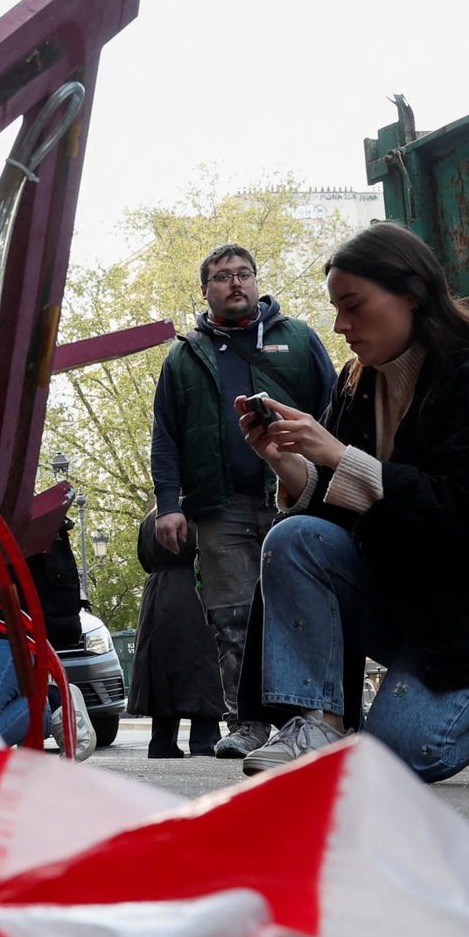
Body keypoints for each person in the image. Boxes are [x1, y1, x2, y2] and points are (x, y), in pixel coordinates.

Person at [231, 222, 469, 783]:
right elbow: (341, 516)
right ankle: (320, 721)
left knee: (403, 755)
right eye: (337, 309)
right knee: (293, 538)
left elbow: (463, 512)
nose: (341, 326)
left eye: (353, 306)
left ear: (411, 296)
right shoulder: (359, 384)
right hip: (422, 601)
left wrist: (340, 455)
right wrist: (284, 458)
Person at [150, 244, 337, 761]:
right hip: (219, 506)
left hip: (297, 496)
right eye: (223, 277)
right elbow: (165, 435)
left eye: (244, 274)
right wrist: (170, 504)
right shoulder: (184, 355)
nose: (236, 283)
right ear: (205, 289)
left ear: (256, 281)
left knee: (299, 607)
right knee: (231, 616)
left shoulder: (297, 338)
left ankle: (309, 719)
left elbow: (334, 410)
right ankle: (248, 722)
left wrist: (333, 477)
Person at [127, 510, 223, 757]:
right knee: (202, 665)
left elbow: (143, 559)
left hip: (157, 594)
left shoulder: (151, 517)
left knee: (161, 665)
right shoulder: (199, 512)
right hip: (195, 589)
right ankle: (204, 740)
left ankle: (161, 741)